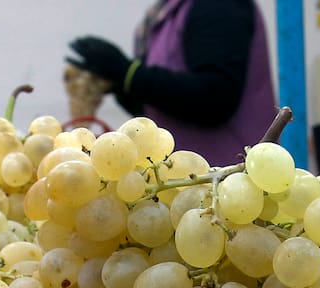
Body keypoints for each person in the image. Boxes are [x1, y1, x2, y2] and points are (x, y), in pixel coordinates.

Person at [66, 0, 277, 167]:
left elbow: (215, 99)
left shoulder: (218, 5)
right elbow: (165, 110)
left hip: (224, 183)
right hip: (182, 181)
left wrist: (129, 73)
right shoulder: (168, 11)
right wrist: (120, 84)